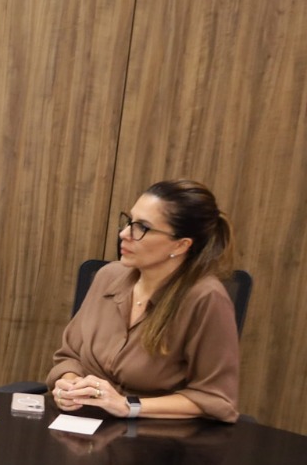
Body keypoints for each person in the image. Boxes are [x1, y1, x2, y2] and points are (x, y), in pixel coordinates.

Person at [48, 179, 239, 422]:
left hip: (155, 438)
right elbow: (70, 356)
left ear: (180, 245)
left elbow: (216, 398)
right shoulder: (108, 276)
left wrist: (128, 406)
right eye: (129, 222)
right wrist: (70, 385)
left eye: (142, 228)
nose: (124, 234)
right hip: (82, 426)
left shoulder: (206, 298)